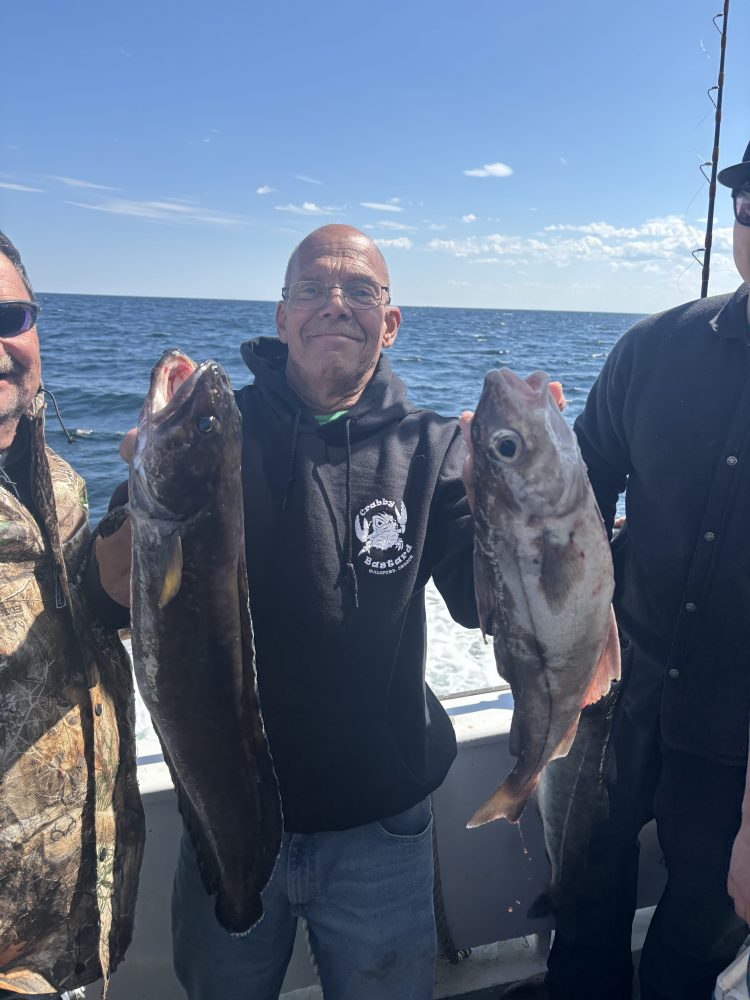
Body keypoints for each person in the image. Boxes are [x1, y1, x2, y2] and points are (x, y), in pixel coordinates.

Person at [94, 224, 478, 1000]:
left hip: (382, 828)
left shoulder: (435, 447)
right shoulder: (208, 433)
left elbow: (485, 603)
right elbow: (107, 597)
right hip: (221, 810)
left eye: (359, 291)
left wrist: (526, 497)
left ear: (390, 323)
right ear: (281, 317)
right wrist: (143, 493)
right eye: (311, 289)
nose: (334, 305)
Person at [540, 140, 750, 1000]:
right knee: (582, 906)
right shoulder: (651, 350)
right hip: (612, 694)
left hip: (737, 737)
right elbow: (570, 502)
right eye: (749, 202)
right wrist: (517, 470)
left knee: (698, 934)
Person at [0, 232, 145, 997]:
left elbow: (88, 613)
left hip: (75, 938)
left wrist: (142, 508)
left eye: (8, 313)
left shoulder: (57, 482)